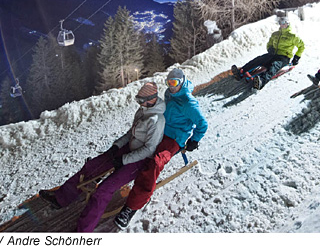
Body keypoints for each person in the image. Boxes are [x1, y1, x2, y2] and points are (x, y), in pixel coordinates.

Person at [38, 82, 165, 232]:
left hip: (139, 160)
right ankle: (61, 198)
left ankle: (83, 231)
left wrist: (124, 160)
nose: (139, 103)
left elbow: (149, 149)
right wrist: (117, 146)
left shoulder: (157, 121)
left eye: (140, 100)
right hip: (128, 148)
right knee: (92, 166)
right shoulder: (142, 110)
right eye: (138, 100)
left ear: (151, 99)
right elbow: (132, 133)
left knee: (103, 190)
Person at [114, 68, 208, 229]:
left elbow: (202, 124)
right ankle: (113, 172)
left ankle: (131, 207)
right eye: (169, 83)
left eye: (175, 83)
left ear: (182, 81)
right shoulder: (168, 94)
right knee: (136, 144)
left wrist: (194, 140)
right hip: (160, 129)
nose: (171, 87)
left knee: (155, 163)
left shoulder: (188, 102)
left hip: (173, 138)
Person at [231, 16, 305, 90]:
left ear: (287, 24)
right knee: (259, 59)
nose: (281, 25)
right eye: (280, 23)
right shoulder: (275, 34)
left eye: (283, 23)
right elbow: (269, 44)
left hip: (283, 57)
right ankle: (241, 72)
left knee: (273, 66)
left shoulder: (293, 36)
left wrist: (296, 58)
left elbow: (301, 46)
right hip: (272, 54)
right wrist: (270, 48)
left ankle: (261, 82)